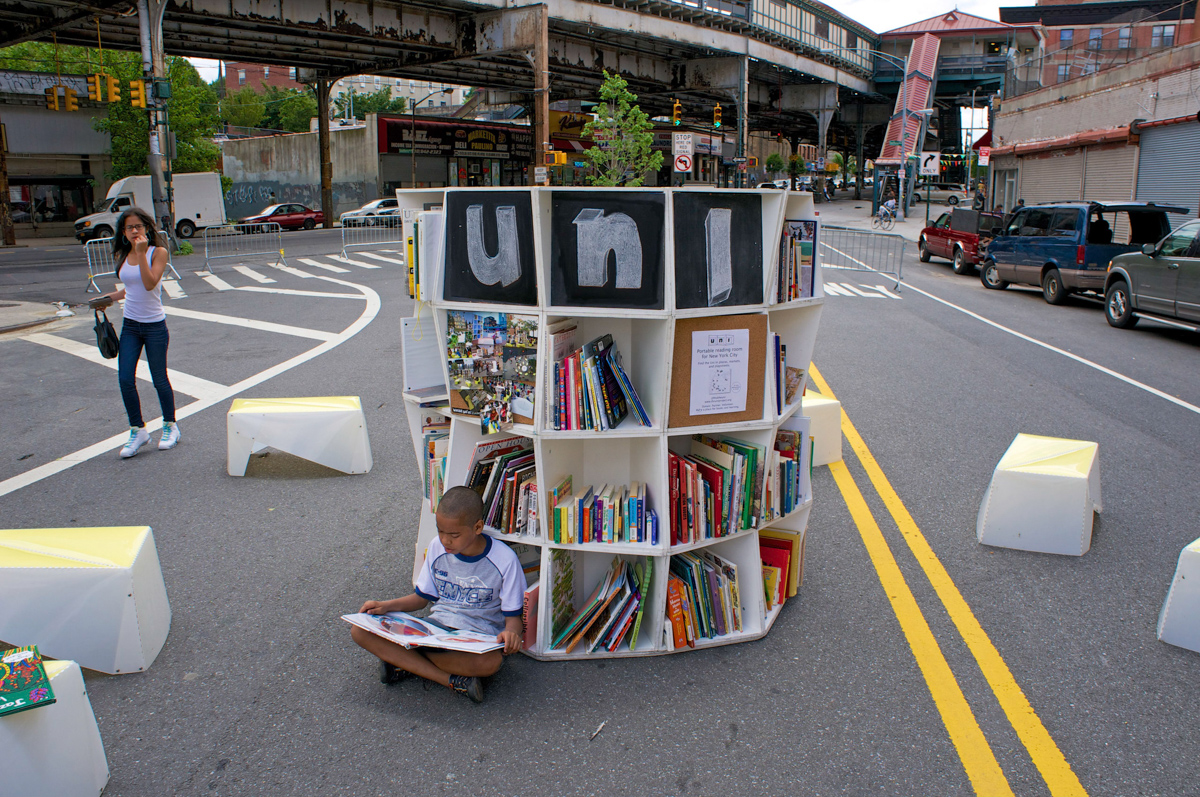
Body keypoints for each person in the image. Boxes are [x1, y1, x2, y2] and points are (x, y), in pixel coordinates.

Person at [350, 487, 525, 703]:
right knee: (359, 631)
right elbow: (421, 598)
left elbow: (513, 620)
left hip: (475, 639)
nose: (445, 540)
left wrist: (511, 635)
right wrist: (385, 606)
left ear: (478, 527)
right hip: (434, 629)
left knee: (491, 663)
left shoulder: (504, 560)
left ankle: (404, 662)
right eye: (440, 531)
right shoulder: (436, 547)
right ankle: (450, 680)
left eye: (454, 535)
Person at [93, 207, 180, 458]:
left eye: (138, 227)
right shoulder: (124, 255)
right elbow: (129, 288)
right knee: (125, 379)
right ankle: (138, 430)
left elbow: (150, 282)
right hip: (130, 325)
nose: (134, 231)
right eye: (129, 227)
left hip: (154, 326)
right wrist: (106, 299)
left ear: (147, 229)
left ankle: (170, 426)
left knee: (158, 378)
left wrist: (142, 253)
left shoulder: (158, 252)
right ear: (123, 231)